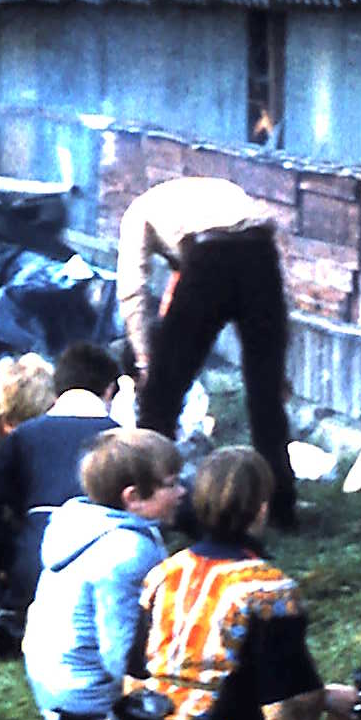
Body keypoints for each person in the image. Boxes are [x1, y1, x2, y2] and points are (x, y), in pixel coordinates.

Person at [124, 445, 357, 720]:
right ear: (261, 509)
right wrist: (326, 699)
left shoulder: (164, 572)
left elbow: (135, 670)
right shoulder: (269, 588)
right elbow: (286, 702)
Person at [114, 176, 297, 528]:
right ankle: (282, 509)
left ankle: (150, 498)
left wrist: (145, 359)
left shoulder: (138, 213)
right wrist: (277, 364)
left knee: (160, 400)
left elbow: (133, 290)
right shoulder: (218, 192)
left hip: (210, 259)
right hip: (261, 256)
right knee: (266, 398)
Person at [22, 427, 184, 720]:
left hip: (56, 690)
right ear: (133, 497)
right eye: (171, 484)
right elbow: (121, 655)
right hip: (88, 702)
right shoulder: (128, 551)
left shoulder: (82, 523)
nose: (182, 491)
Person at [0, 340, 126, 617]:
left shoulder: (23, 436)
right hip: (100, 580)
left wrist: (5, 558)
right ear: (109, 389)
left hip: (31, 570)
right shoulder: (123, 441)